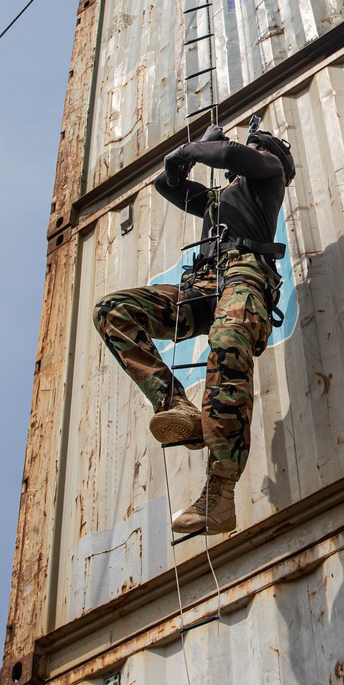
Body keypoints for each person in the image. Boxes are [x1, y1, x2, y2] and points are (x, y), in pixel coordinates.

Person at [94, 119, 295, 535]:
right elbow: (167, 186)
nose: (248, 153)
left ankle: (219, 493)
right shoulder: (219, 198)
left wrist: (198, 150)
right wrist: (179, 161)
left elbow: (230, 156)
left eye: (255, 147)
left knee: (228, 341)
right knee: (113, 310)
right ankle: (173, 404)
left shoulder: (269, 174)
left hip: (244, 278)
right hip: (201, 288)